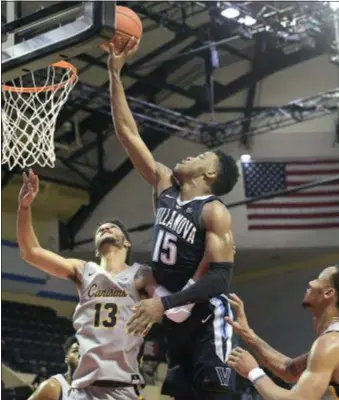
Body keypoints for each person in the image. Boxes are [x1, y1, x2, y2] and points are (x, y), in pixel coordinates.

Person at [108, 38, 240, 400]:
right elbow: (128, 133)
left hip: (206, 320)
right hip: (172, 319)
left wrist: (161, 303)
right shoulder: (164, 187)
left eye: (201, 155)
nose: (189, 156)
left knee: (215, 395)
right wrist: (115, 74)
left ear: (211, 174)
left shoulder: (213, 211)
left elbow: (220, 279)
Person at [17, 169, 190, 400]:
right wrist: (25, 208)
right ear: (96, 246)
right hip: (82, 388)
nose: (105, 228)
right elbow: (31, 252)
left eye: (112, 227)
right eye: (101, 228)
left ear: (127, 242)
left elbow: (175, 297)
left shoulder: (142, 274)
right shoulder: (83, 270)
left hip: (120, 387)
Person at [225, 265, 339, 400]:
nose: (310, 282)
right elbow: (289, 370)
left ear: (328, 293)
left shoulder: (331, 344)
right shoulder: (336, 340)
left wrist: (253, 372)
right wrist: (247, 334)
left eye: (318, 280)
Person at [28, 336, 79, 400]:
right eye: (76, 350)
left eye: (84, 352)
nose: (81, 354)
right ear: (66, 358)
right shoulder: (52, 388)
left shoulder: (94, 391)